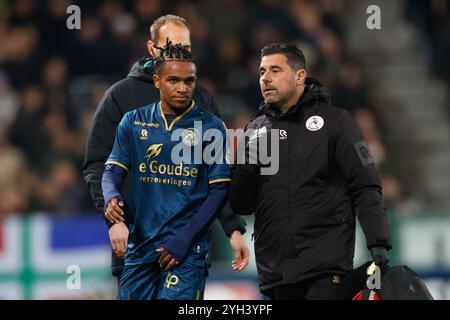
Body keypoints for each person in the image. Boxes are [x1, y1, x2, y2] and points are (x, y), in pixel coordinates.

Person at [82, 15, 249, 280]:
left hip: (188, 246)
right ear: (151, 48)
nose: (179, 55)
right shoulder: (120, 97)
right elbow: (97, 165)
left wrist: (233, 228)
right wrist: (115, 221)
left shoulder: (203, 100)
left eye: (187, 49)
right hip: (134, 243)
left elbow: (217, 173)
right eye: (171, 46)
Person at [230, 43, 391, 300]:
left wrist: (378, 242)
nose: (265, 78)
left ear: (299, 76)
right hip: (277, 270)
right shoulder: (255, 129)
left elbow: (365, 185)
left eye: (275, 70)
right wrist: (245, 170)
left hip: (325, 266)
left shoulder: (335, 122)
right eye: (262, 72)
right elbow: (242, 203)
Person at [102, 41, 231, 299]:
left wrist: (186, 239)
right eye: (174, 80)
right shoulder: (133, 121)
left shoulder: (211, 127)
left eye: (189, 81)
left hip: (186, 250)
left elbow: (219, 191)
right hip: (140, 245)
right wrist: (111, 200)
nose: (183, 88)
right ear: (157, 81)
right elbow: (111, 173)